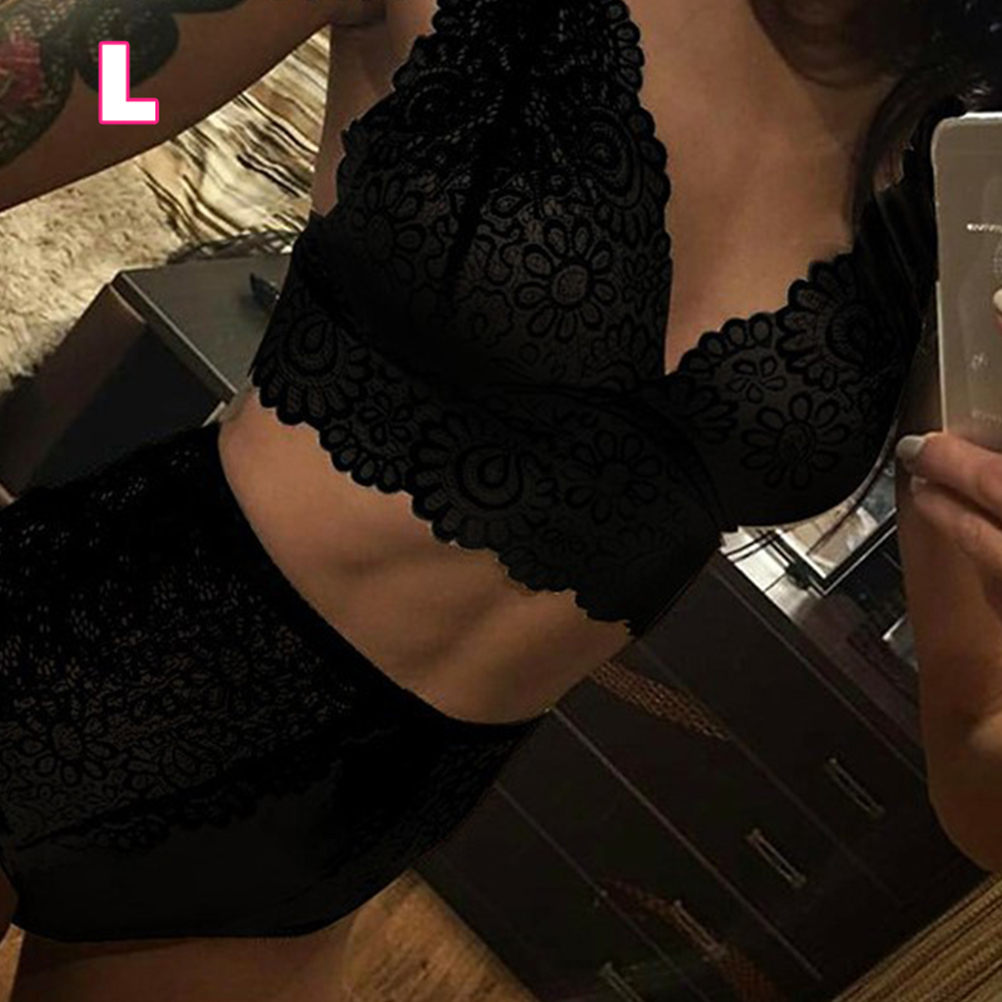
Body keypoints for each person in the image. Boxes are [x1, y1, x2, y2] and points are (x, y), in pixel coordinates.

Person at [0, 0, 1000, 998]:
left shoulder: (964, 179)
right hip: (84, 675)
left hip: (330, 848)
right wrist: (125, 80)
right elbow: (105, 81)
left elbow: (977, 769)